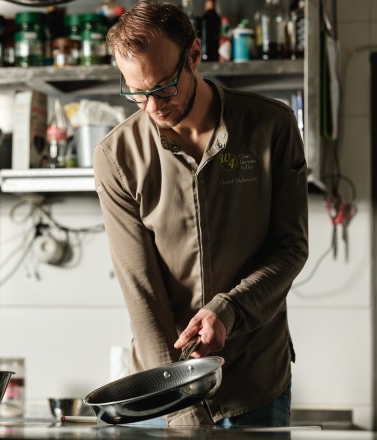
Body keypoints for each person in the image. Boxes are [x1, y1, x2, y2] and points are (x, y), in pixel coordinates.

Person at [94, 0, 308, 427]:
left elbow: (291, 248)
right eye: (135, 92)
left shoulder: (272, 126)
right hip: (164, 387)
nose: (151, 107)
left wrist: (226, 309)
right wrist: (178, 398)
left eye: (163, 88)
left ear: (194, 55)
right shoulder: (117, 155)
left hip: (256, 380)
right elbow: (142, 289)